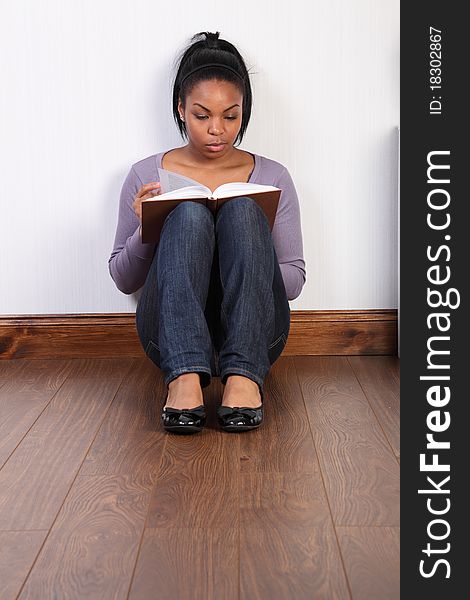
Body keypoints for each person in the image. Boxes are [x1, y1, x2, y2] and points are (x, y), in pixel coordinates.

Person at [108, 31, 306, 434]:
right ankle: (182, 378)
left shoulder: (273, 175)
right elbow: (123, 279)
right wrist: (149, 229)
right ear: (181, 109)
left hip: (259, 333)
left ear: (243, 111)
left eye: (230, 116)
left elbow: (294, 282)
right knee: (188, 216)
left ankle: (245, 378)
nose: (217, 129)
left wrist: (250, 247)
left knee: (244, 211)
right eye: (202, 116)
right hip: (166, 336)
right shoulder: (146, 174)